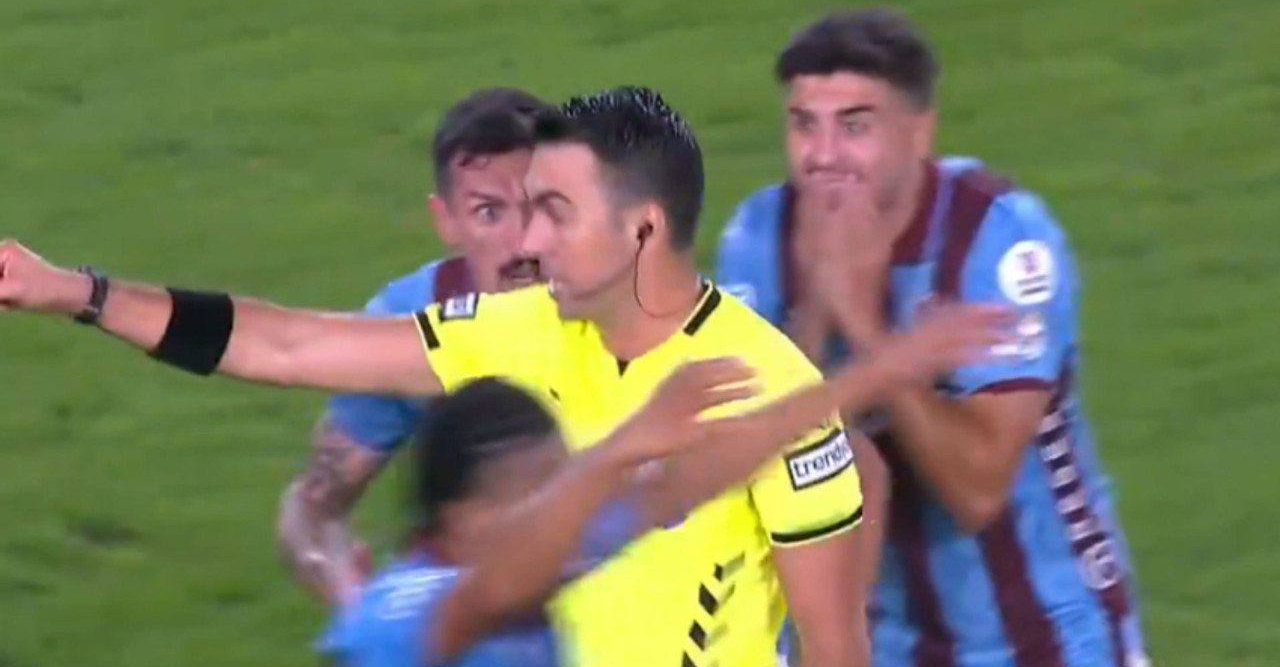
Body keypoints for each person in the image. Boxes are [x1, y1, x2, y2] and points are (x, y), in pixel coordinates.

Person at [5, 86, 927, 666]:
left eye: (555, 212)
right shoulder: (513, 330)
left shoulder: (771, 390)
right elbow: (284, 346)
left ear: (643, 228)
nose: (527, 242)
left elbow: (835, 646)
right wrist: (79, 293)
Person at [714, 8, 1151, 667]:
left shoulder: (997, 242)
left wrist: (865, 325)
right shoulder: (758, 238)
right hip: (885, 641)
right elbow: (748, 466)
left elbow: (976, 492)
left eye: (854, 126)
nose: (823, 156)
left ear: (919, 133)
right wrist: (818, 315)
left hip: (1048, 638)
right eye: (804, 125)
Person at [318, 302, 1005, 667]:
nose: (567, 506)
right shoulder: (411, 615)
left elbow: (695, 478)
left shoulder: (535, 562)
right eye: (539, 488)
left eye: (562, 476)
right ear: (461, 520)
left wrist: (884, 369)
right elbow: (491, 591)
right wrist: (617, 452)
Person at [277, 87, 551, 604]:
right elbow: (313, 507)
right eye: (489, 213)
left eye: (539, 207)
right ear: (446, 219)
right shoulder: (407, 321)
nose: (522, 242)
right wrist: (346, 587)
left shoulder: (637, 304)